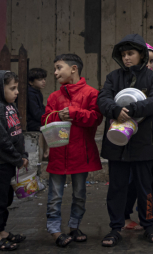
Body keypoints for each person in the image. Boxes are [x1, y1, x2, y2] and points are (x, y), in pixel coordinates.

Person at [97, 34, 153, 247]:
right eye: (123, 54)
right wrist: (115, 110)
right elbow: (103, 99)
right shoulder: (113, 77)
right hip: (117, 143)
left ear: (141, 55)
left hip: (144, 142)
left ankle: (148, 225)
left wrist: (133, 109)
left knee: (145, 186)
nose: (126, 58)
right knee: (117, 187)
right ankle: (115, 228)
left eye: (131, 53)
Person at [41, 53, 102, 247]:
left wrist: (75, 113)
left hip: (80, 153)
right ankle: (55, 230)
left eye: (59, 67)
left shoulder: (91, 93)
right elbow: (45, 120)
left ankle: (74, 226)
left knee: (80, 194)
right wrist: (59, 115)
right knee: (55, 195)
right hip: (58, 154)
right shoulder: (54, 96)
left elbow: (95, 118)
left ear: (73, 69)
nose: (55, 72)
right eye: (55, 68)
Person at [0, 70, 29, 252]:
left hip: (10, 162)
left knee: (7, 199)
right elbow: (1, 142)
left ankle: (1, 231)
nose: (17, 92)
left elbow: (18, 134)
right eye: (12, 88)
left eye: (17, 88)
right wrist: (18, 159)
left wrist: (23, 154)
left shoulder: (10, 107)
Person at [125, 44, 153, 230]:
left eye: (152, 60)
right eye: (146, 60)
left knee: (149, 179)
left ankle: (147, 214)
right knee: (132, 181)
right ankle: (125, 216)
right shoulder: (124, 78)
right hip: (131, 138)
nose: (149, 64)